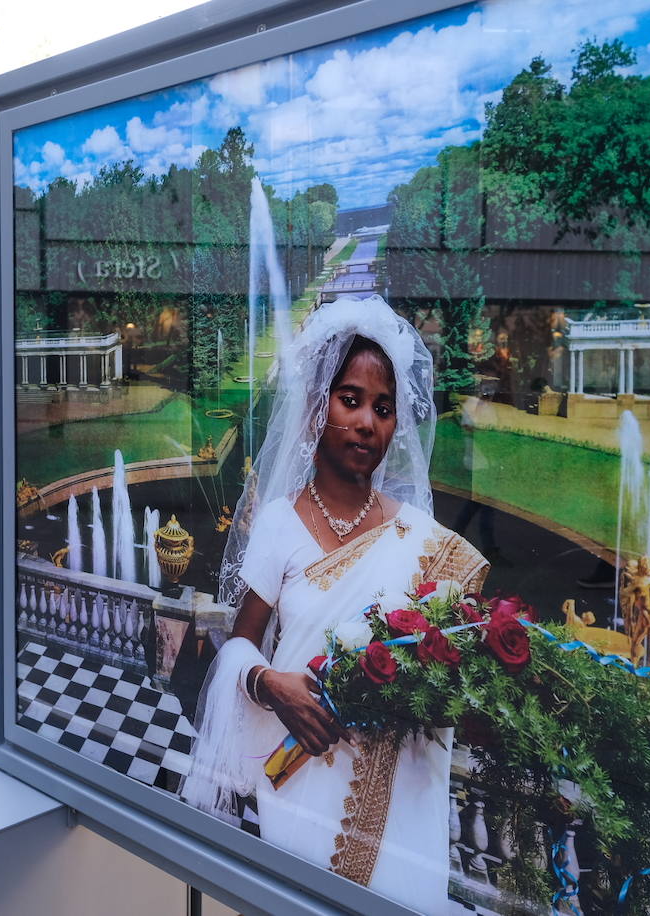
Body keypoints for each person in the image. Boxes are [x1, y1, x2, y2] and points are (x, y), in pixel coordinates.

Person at [183, 296, 487, 915]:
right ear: (317, 409)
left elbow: (446, 663)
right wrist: (270, 685)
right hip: (301, 778)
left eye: (383, 408)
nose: (367, 423)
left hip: (397, 792)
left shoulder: (420, 539)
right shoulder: (278, 525)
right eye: (350, 400)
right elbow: (240, 643)